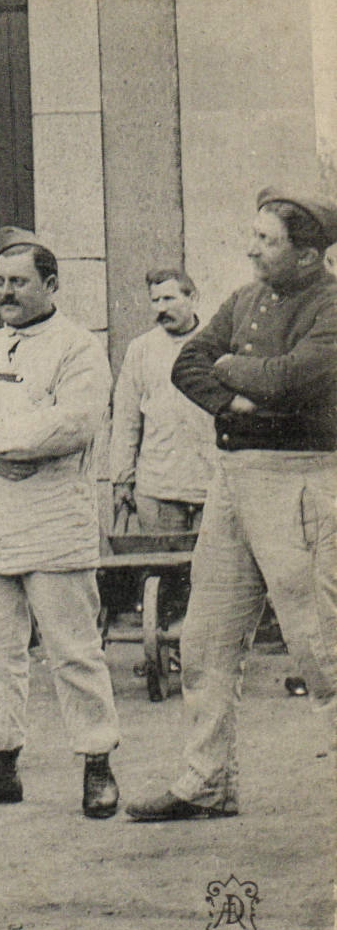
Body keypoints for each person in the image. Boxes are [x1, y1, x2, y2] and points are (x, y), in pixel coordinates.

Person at [127, 187, 337, 822]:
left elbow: (290, 381)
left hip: (302, 484)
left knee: (321, 646)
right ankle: (206, 781)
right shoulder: (243, 299)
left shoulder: (332, 305)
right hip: (232, 482)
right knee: (206, 639)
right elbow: (186, 364)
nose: (251, 249)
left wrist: (229, 368)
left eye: (266, 240)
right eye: (253, 236)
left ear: (309, 255)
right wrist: (235, 396)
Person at [0, 228, 121, 820]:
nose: (5, 293)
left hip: (53, 525)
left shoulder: (78, 348)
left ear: (51, 285)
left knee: (73, 651)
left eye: (18, 282)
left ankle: (97, 764)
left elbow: (71, 425)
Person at [108, 268, 214, 533]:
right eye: (155, 300)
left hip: (211, 487)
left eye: (169, 299)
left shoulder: (216, 344)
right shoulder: (141, 349)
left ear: (193, 298)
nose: (161, 308)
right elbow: (126, 420)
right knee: (162, 559)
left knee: (211, 560)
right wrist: (122, 480)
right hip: (157, 488)